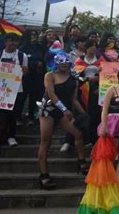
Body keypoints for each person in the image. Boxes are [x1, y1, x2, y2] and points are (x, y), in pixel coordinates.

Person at [37, 52, 88, 190]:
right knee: (46, 141)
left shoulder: (74, 79)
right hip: (48, 109)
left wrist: (84, 114)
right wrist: (64, 110)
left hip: (64, 110)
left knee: (78, 134)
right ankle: (44, 174)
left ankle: (82, 162)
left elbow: (74, 100)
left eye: (66, 62)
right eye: (61, 62)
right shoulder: (50, 75)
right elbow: (51, 94)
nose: (64, 64)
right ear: (56, 63)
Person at [0, 33, 29, 146]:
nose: (13, 43)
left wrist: (24, 70)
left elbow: (26, 72)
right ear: (6, 42)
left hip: (16, 90)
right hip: (0, 90)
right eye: (11, 40)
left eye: (15, 41)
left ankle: (11, 136)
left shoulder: (22, 56)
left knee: (12, 114)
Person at [72, 40, 101, 147]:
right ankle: (83, 138)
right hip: (82, 89)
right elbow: (75, 74)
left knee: (94, 113)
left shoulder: (100, 60)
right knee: (83, 112)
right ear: (86, 48)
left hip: (96, 90)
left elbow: (105, 75)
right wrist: (87, 78)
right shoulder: (79, 60)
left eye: (95, 48)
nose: (93, 50)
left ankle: (94, 138)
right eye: (90, 47)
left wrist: (96, 79)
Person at [19, 29, 45, 126]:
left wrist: (41, 64)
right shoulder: (23, 47)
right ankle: (18, 117)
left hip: (37, 77)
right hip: (25, 77)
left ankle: (31, 117)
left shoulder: (39, 47)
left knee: (34, 98)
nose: (33, 36)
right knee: (22, 98)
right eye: (32, 34)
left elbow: (43, 59)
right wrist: (34, 64)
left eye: (35, 34)